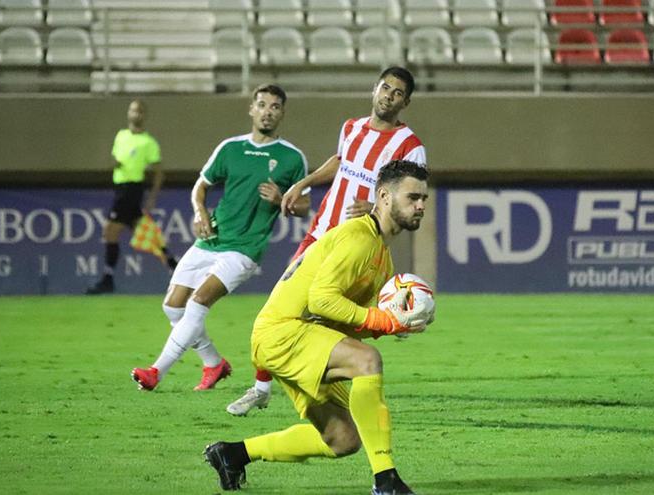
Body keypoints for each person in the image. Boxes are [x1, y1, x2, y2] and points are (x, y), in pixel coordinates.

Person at [205, 160, 430, 495]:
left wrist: (392, 324)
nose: (421, 205)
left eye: (424, 198)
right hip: (285, 331)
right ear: (383, 196)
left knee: (343, 440)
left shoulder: (381, 256)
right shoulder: (358, 239)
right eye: (413, 197)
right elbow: (322, 300)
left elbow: (345, 319)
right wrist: (378, 319)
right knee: (368, 362)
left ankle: (234, 454)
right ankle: (386, 481)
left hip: (298, 335)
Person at [227, 66, 427, 416]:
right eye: (385, 88)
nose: (389, 96)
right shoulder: (351, 127)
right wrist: (302, 183)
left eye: (397, 93)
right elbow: (341, 161)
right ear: (375, 89)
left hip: (358, 240)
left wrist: (375, 207)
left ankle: (333, 379)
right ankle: (262, 388)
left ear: (406, 102)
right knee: (281, 308)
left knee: (331, 315)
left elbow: (410, 191)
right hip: (321, 232)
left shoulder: (409, 146)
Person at [131, 84, 311, 392]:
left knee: (198, 302)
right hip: (212, 238)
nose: (267, 111)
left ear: (282, 113)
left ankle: (156, 372)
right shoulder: (230, 148)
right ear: (251, 109)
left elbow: (305, 206)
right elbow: (200, 186)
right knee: (173, 307)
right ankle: (214, 363)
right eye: (262, 105)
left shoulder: (292, 158)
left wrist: (282, 198)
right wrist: (200, 213)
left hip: (244, 249)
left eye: (275, 107)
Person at [86, 99, 178, 295]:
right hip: (121, 189)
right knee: (147, 233)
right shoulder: (121, 136)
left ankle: (108, 279)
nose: (136, 114)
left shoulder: (148, 142)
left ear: (144, 116)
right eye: (133, 110)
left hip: (131, 190)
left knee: (110, 231)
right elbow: (114, 159)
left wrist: (152, 197)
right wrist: (116, 164)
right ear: (128, 113)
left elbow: (159, 172)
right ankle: (175, 267)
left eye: (140, 111)